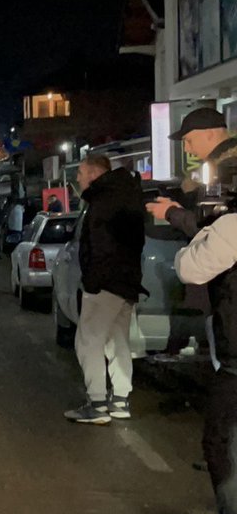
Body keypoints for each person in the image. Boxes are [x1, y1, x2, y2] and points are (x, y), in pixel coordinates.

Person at [146, 108, 237, 514]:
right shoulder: (217, 168)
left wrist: (174, 213)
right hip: (227, 322)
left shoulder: (226, 168)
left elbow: (210, 236)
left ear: (206, 135)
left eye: (189, 139)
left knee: (219, 437)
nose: (186, 147)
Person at [63, 155, 146, 425]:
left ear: (94, 173)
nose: (77, 178)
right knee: (117, 340)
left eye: (80, 172)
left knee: (88, 340)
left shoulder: (103, 199)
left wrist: (93, 282)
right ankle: (120, 400)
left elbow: (99, 244)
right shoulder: (125, 194)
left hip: (106, 283)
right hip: (127, 281)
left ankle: (97, 404)